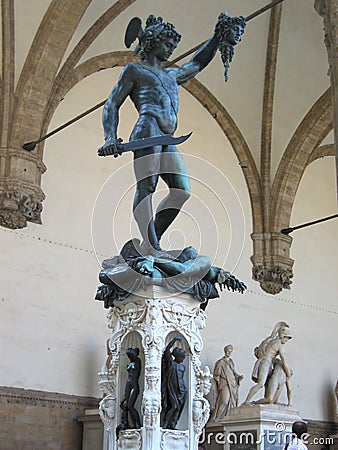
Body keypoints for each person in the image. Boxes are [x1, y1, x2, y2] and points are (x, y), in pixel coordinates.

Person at [99, 14, 245, 255]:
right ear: (152, 42)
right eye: (167, 44)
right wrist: (109, 137)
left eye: (173, 46)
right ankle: (153, 245)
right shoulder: (135, 71)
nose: (171, 49)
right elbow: (112, 104)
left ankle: (150, 242)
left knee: (181, 191)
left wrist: (217, 37)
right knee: (147, 188)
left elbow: (197, 63)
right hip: (148, 130)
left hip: (167, 138)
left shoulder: (171, 75)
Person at [244, 322, 292, 404]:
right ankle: (247, 401)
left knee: (267, 393)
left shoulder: (269, 340)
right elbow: (283, 359)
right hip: (266, 362)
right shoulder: (279, 344)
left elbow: (258, 351)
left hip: (264, 362)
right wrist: (288, 373)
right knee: (261, 384)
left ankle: (253, 402)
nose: (287, 340)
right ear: (282, 336)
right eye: (286, 338)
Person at [210, 344, 243, 421]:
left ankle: (227, 418)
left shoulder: (231, 362)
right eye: (228, 351)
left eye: (231, 351)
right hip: (225, 383)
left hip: (233, 383)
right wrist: (220, 382)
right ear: (225, 351)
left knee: (232, 402)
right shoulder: (221, 362)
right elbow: (216, 374)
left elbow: (233, 372)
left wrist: (238, 377)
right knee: (224, 401)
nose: (229, 353)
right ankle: (217, 418)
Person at [161, 335, 188, 429]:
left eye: (184, 357)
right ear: (177, 356)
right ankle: (165, 424)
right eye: (182, 357)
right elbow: (167, 351)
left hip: (181, 390)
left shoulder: (182, 367)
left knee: (178, 408)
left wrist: (183, 389)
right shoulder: (171, 363)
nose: (183, 359)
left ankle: (173, 424)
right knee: (174, 406)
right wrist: (174, 339)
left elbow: (181, 378)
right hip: (172, 388)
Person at [118, 347, 142, 432]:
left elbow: (132, 354)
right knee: (127, 406)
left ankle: (138, 424)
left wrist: (132, 352)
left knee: (130, 406)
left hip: (134, 385)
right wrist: (123, 399)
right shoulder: (131, 362)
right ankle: (134, 424)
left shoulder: (137, 361)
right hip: (128, 384)